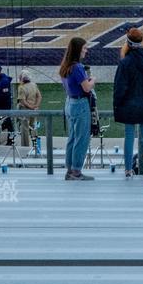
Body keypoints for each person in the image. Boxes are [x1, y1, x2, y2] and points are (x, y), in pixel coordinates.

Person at [113, 28, 143, 179]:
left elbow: (120, 87)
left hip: (129, 105)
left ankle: (128, 171)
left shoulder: (125, 62)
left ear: (128, 42)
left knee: (129, 136)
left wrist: (117, 103)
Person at [59, 36, 95, 180]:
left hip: (69, 103)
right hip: (80, 104)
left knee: (72, 138)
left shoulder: (65, 66)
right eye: (84, 48)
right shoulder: (78, 67)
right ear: (78, 49)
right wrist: (93, 80)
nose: (86, 50)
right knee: (81, 139)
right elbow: (86, 88)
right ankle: (76, 171)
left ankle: (70, 170)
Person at [15, 71, 42, 148]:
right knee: (34, 127)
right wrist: (36, 105)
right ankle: (36, 145)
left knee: (24, 129)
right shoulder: (34, 85)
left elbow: (22, 101)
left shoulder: (21, 87)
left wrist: (30, 107)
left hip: (25, 110)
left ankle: (25, 147)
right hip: (33, 110)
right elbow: (39, 96)